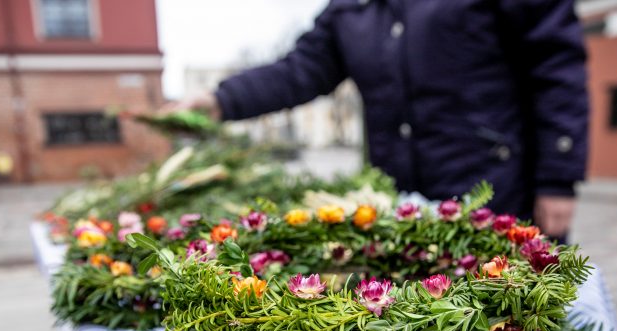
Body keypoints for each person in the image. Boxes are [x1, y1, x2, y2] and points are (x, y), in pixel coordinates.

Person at [168, 0, 588, 238]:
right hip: (400, 203)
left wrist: (557, 179)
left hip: (497, 192)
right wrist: (220, 100)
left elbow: (556, 66)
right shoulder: (351, 8)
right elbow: (302, 69)